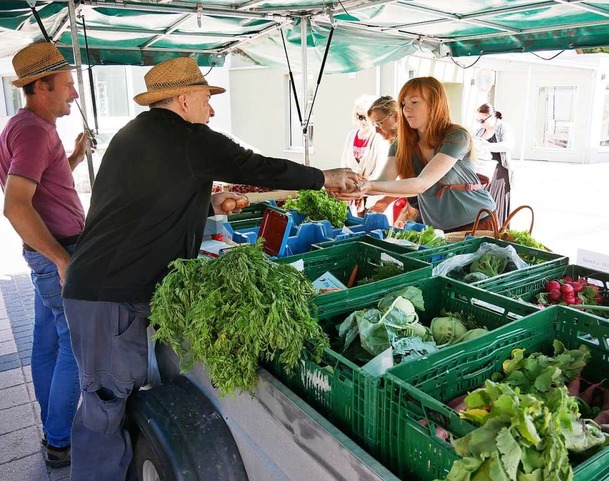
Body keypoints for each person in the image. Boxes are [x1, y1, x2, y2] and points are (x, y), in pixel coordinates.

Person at [61, 56, 360, 481]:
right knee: (103, 409)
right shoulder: (189, 139)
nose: (212, 110)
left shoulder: (134, 134)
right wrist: (324, 176)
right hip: (109, 295)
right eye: (206, 100)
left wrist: (207, 203)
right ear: (183, 100)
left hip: (98, 287)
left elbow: (144, 202)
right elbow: (258, 166)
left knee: (108, 400)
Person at [0, 42, 89, 469]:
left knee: (48, 342)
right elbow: (16, 205)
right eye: (68, 85)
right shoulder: (34, 131)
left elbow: (44, 188)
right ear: (41, 86)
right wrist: (62, 260)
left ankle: (51, 430)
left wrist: (72, 156)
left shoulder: (23, 125)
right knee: (74, 346)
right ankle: (58, 441)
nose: (74, 93)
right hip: (58, 253)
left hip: (44, 252)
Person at [336, 76, 496, 232]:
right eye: (403, 103)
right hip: (439, 229)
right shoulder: (400, 144)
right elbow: (383, 182)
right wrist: (349, 186)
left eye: (414, 102)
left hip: (477, 221)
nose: (406, 109)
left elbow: (421, 184)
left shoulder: (456, 136)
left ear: (434, 104)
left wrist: (368, 186)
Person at [367, 95, 422, 224]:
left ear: (396, 116)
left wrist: (385, 201)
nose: (376, 130)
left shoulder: (413, 141)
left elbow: (417, 184)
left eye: (379, 123)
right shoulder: (396, 144)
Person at [340, 94, 388, 215]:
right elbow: (344, 165)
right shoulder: (351, 136)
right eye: (359, 117)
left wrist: (362, 189)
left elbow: (380, 172)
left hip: (373, 198)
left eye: (366, 117)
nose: (363, 121)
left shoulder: (379, 138)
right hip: (352, 195)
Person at [474, 103, 515, 226]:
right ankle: (485, 230)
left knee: (496, 202)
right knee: (484, 203)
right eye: (478, 120)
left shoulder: (503, 127)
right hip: (484, 172)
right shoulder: (480, 131)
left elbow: (509, 145)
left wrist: (487, 146)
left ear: (491, 116)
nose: (480, 123)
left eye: (482, 120)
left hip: (500, 172)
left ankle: (498, 230)